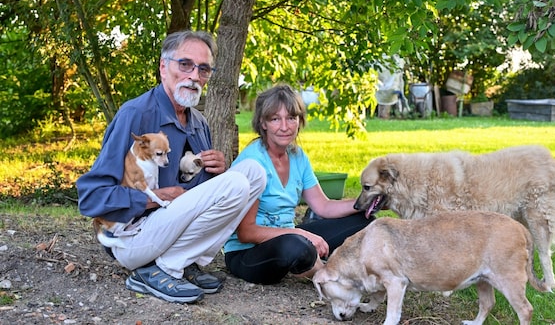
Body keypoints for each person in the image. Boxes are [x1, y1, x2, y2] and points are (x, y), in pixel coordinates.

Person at [76, 30, 266, 303]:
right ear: (163, 67)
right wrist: (155, 198)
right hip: (131, 239)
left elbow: (194, 196)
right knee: (236, 183)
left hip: (170, 232)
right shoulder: (136, 114)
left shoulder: (199, 122)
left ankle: (183, 260)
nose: (194, 76)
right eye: (185, 64)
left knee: (253, 173)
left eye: (203, 69)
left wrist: (216, 173)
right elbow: (91, 197)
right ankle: (157, 270)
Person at [223, 84, 373, 285]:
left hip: (290, 238)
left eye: (291, 118)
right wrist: (300, 233)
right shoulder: (253, 163)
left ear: (299, 121)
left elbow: (324, 206)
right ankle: (330, 277)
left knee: (365, 221)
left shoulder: (298, 157)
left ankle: (331, 264)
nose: (285, 127)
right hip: (248, 254)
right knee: (297, 246)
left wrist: (367, 201)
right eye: (276, 119)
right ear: (263, 123)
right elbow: (246, 233)